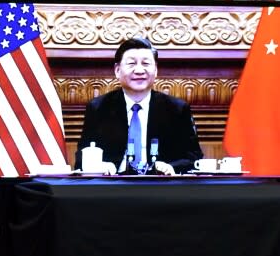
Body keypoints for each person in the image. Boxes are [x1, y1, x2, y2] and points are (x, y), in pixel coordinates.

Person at [75, 37, 203, 175]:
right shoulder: (99, 108)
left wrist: (171, 167)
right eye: (131, 63)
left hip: (161, 187)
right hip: (112, 187)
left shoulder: (177, 109)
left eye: (146, 63)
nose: (139, 70)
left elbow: (194, 158)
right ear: (117, 70)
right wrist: (102, 166)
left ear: (156, 70)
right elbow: (81, 157)